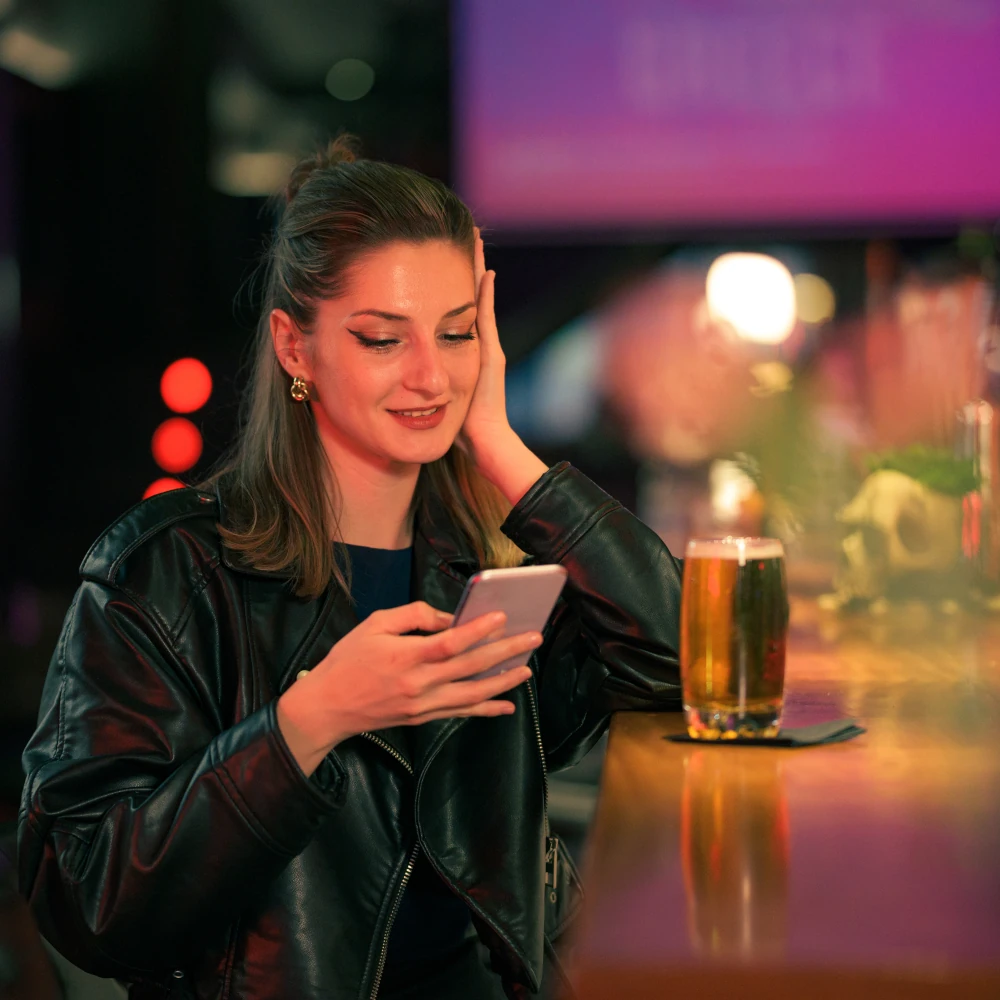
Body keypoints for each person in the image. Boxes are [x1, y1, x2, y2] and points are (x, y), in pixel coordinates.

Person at [18, 137, 684, 1000]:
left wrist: (500, 444)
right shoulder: (166, 571)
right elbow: (86, 901)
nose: (429, 375)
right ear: (296, 350)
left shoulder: (476, 561)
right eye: (381, 340)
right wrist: (307, 724)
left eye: (456, 335)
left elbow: (676, 660)